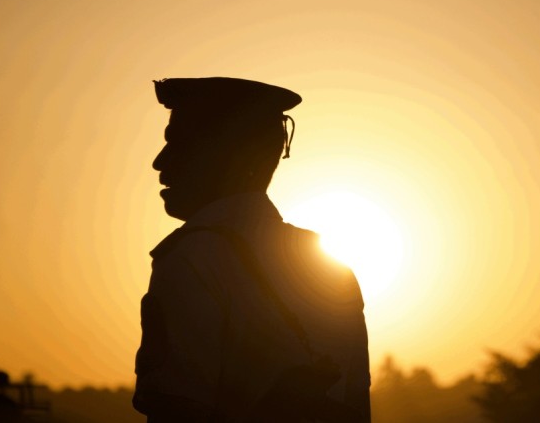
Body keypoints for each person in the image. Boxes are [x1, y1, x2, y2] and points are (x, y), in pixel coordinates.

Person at [133, 77, 371, 422]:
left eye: (178, 143)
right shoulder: (333, 270)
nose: (160, 162)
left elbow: (174, 410)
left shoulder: (192, 257)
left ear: (226, 156)